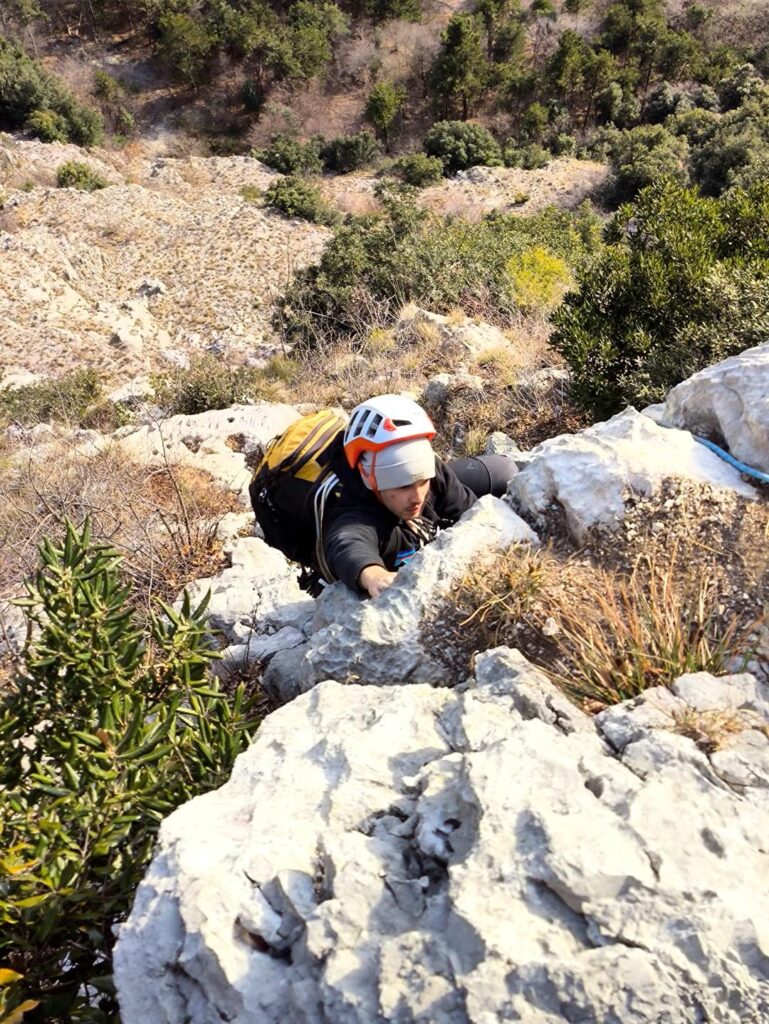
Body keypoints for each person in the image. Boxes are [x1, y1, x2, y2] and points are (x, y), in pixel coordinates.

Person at [317, 394, 517, 598]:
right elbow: (347, 541)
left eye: (423, 481)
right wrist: (374, 575)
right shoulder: (353, 509)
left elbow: (470, 510)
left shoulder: (432, 472)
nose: (419, 497)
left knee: (505, 470)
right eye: (404, 487)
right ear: (372, 479)